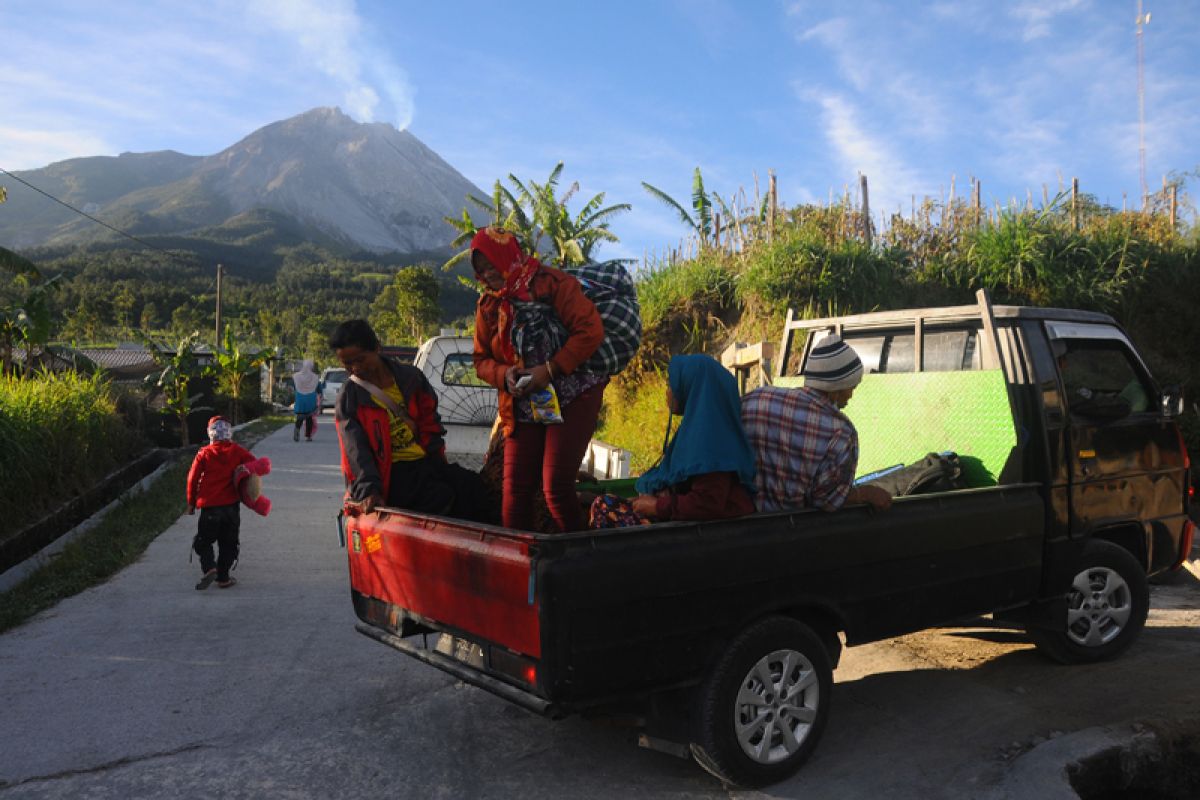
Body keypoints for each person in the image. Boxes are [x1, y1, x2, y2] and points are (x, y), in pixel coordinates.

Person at [471, 226, 606, 533]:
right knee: (515, 489)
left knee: (555, 487)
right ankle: (516, 562)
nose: (488, 274)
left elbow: (590, 331)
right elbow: (480, 361)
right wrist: (504, 374)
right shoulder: (489, 305)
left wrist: (550, 369)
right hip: (522, 401)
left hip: (574, 394)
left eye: (491, 264)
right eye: (481, 270)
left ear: (508, 255)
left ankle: (581, 556)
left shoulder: (553, 283)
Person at [329, 319, 483, 519]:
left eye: (360, 360)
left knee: (474, 488)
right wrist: (369, 491)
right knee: (438, 498)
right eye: (347, 364)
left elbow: (430, 424)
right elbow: (355, 451)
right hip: (391, 473)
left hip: (425, 462)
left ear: (376, 348)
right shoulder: (350, 397)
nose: (355, 368)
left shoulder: (412, 379)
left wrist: (438, 460)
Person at [590, 354, 756, 528]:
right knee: (605, 503)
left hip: (704, 528)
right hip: (680, 513)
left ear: (692, 388)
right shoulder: (698, 429)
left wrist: (656, 506)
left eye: (671, 385)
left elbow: (707, 504)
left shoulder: (710, 441)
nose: (668, 391)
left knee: (603, 508)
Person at [741, 334, 891, 514]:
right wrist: (864, 494)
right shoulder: (840, 432)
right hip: (794, 533)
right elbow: (827, 501)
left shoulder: (757, 399)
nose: (850, 396)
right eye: (851, 387)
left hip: (742, 528)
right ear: (836, 388)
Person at [187, 416, 256, 590]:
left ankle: (210, 567)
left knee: (203, 541)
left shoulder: (204, 453)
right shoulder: (237, 451)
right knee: (229, 543)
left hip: (210, 508)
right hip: (231, 507)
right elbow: (254, 464)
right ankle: (223, 578)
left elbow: (192, 479)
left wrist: (191, 502)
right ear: (229, 433)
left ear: (211, 434)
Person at [291, 359, 323, 442]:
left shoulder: (296, 376)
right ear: (311, 367)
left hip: (300, 398)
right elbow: (319, 389)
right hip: (311, 399)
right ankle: (308, 436)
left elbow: (295, 388)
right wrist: (320, 396)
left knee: (300, 417)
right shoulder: (315, 377)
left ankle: (297, 429)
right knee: (309, 418)